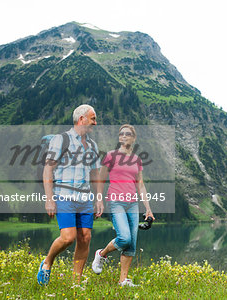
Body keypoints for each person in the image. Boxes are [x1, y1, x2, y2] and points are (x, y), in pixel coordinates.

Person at [37, 104, 104, 285]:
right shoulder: (61, 140)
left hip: (85, 198)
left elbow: (96, 174)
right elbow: (48, 170)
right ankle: (48, 261)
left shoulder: (92, 145)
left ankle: (76, 282)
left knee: (85, 237)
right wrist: (49, 199)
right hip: (64, 195)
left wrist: (99, 199)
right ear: (81, 119)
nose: (95, 123)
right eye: (93, 118)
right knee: (68, 237)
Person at [91, 124, 155, 287]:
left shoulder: (137, 160)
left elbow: (140, 184)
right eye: (122, 134)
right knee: (124, 237)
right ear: (119, 138)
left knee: (131, 244)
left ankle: (123, 280)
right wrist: (99, 200)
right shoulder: (110, 156)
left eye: (128, 134)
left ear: (134, 138)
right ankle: (102, 254)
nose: (124, 136)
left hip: (132, 203)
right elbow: (101, 179)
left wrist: (147, 208)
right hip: (116, 201)